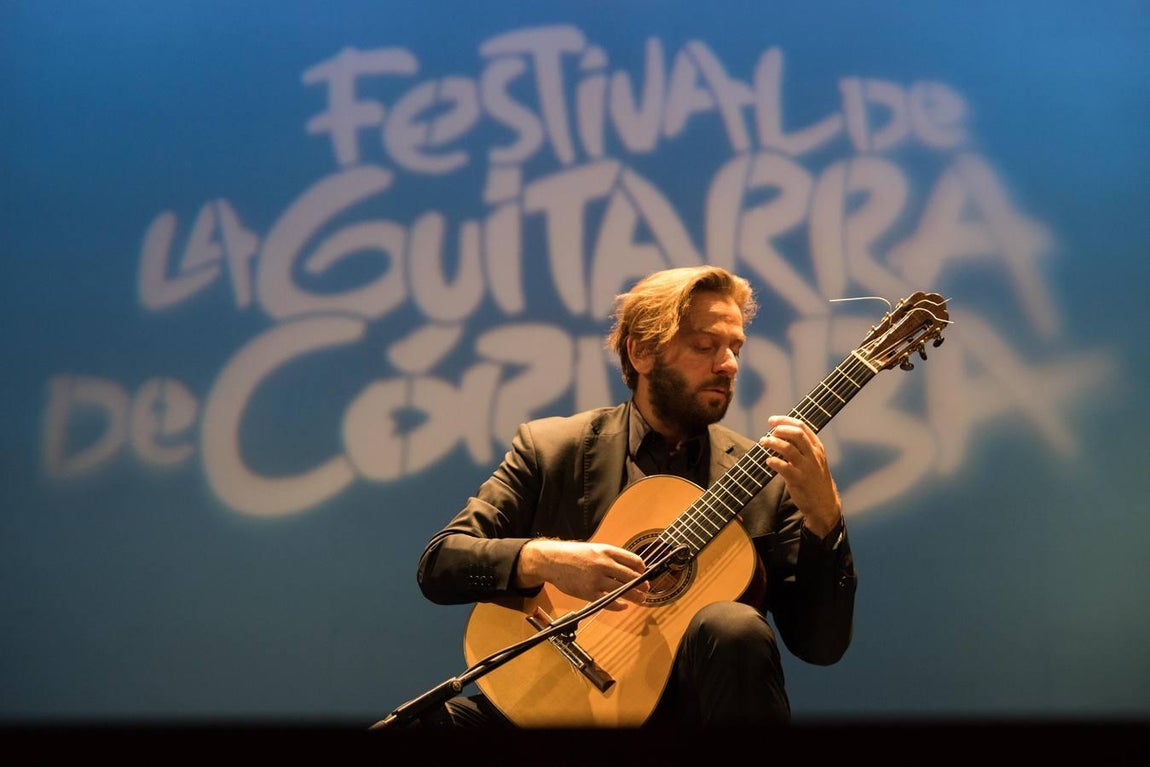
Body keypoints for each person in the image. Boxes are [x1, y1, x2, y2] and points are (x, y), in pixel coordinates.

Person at [414, 265, 856, 728]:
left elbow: (820, 646)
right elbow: (441, 565)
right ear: (642, 352)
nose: (728, 365)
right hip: (545, 698)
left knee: (734, 624)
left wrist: (825, 517)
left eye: (735, 348)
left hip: (690, 717)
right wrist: (545, 560)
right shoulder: (552, 448)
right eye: (705, 346)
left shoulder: (767, 481)